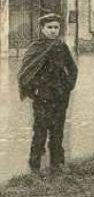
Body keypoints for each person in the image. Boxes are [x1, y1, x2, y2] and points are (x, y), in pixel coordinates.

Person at [18, 12, 78, 176]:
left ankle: (57, 164)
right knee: (40, 130)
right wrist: (34, 91)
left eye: (56, 27)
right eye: (49, 27)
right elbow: (25, 73)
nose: (53, 31)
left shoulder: (61, 46)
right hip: (42, 96)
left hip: (60, 94)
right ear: (42, 29)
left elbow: (72, 68)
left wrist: (68, 85)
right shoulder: (35, 48)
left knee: (58, 129)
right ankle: (35, 166)